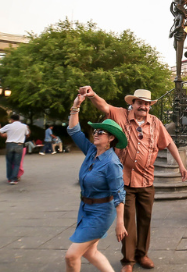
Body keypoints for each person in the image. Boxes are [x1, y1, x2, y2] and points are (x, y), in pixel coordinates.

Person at [78, 86, 187, 272]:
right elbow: (104, 106)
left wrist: (181, 165)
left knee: (145, 219)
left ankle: (142, 254)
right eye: (140, 103)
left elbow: (169, 143)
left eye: (146, 104)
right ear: (133, 103)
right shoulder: (120, 115)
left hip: (146, 179)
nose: (143, 106)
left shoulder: (155, 122)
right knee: (128, 220)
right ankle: (128, 260)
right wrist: (92, 95)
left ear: (149, 106)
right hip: (124, 180)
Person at [65, 93, 127, 272]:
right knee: (90, 252)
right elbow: (74, 131)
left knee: (72, 255)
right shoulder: (91, 151)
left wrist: (120, 223)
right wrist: (76, 105)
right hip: (85, 209)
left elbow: (119, 193)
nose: (96, 134)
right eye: (96, 131)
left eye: (101, 132)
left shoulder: (112, 163)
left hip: (101, 213)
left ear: (111, 139)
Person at [0, 114, 31, 185]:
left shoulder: (9, 126)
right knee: (17, 163)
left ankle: (9, 178)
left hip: (10, 144)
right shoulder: (24, 126)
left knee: (9, 162)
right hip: (19, 145)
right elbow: (27, 134)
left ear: (12, 119)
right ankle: (14, 179)